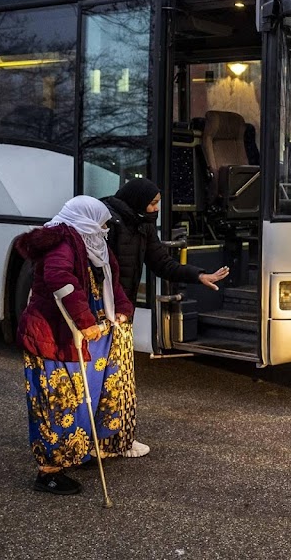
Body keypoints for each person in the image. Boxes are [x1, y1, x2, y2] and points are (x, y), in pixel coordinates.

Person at [14, 196, 135, 495]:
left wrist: (122, 307)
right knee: (59, 402)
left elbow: (111, 280)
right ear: (87, 219)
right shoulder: (62, 242)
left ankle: (78, 449)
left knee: (85, 397)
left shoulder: (91, 241)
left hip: (83, 336)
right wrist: (85, 322)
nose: (105, 229)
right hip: (56, 335)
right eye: (102, 223)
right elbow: (59, 279)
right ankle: (49, 471)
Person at [102, 178, 230, 458]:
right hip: (101, 313)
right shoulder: (107, 221)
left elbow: (162, 263)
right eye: (153, 202)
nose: (157, 208)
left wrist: (198, 275)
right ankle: (100, 440)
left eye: (158, 202)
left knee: (122, 378)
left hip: (123, 314)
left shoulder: (142, 224)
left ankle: (119, 438)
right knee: (102, 378)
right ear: (138, 201)